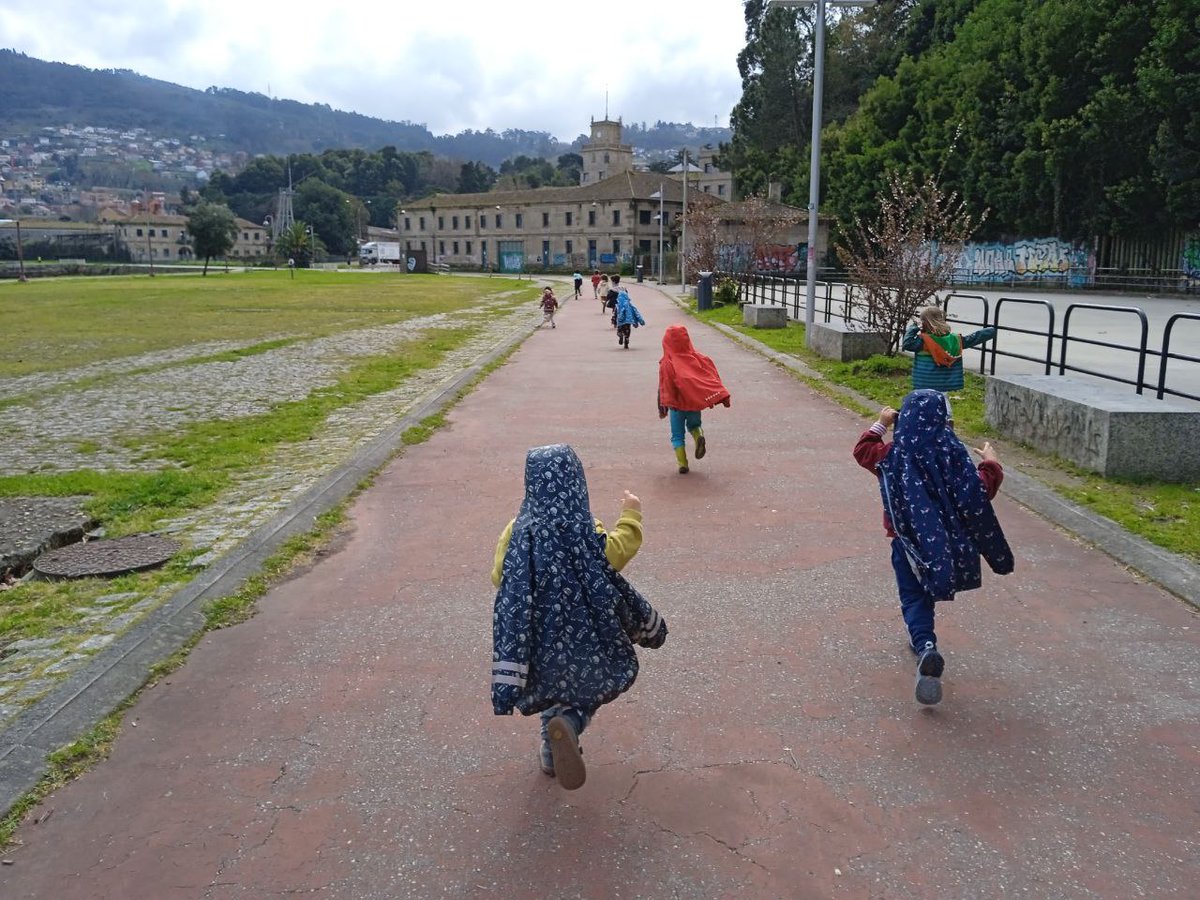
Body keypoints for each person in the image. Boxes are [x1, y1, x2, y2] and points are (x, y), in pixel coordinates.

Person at [491, 444, 668, 790]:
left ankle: (549, 748)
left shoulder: (516, 530)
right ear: (578, 483)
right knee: (585, 691)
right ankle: (570, 722)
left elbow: (499, 576)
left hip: (537, 639)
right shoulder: (587, 529)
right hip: (587, 633)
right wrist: (631, 514)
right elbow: (617, 553)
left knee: (551, 689)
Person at [852, 390, 1014, 705]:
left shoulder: (892, 456)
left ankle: (926, 645)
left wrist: (881, 424)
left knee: (913, 596)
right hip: (944, 543)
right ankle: (924, 643)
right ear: (945, 423)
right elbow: (976, 494)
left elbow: (862, 451)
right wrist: (992, 464)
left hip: (906, 542)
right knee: (927, 590)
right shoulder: (953, 457)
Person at [657, 324, 731, 474]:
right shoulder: (698, 358)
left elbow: (664, 386)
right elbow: (710, 374)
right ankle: (699, 437)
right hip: (693, 403)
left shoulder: (667, 362)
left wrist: (663, 406)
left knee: (677, 435)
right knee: (694, 425)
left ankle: (683, 463)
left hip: (676, 406)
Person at [901, 305, 997, 392]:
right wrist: (991, 331)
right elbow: (973, 338)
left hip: (924, 384)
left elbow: (907, 343)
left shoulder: (922, 341)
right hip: (944, 385)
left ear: (924, 323)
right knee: (943, 406)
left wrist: (914, 327)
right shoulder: (955, 340)